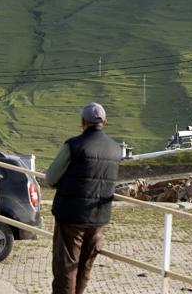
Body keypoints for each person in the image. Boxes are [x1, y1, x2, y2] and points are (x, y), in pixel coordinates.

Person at [45, 102, 121, 294]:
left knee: (66, 269)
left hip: (71, 215)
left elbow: (51, 177)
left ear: (83, 121)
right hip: (99, 218)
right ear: (105, 122)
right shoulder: (115, 149)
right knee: (84, 269)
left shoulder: (74, 145)